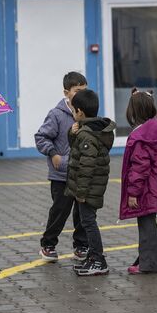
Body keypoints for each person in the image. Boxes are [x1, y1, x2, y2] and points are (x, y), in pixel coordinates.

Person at [35, 71, 89, 262]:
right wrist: (53, 153)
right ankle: (48, 244)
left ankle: (81, 246)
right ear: (66, 92)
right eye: (77, 91)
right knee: (60, 210)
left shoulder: (88, 113)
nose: (82, 94)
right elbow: (41, 137)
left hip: (82, 172)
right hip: (61, 174)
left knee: (82, 212)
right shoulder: (56, 114)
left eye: (85, 90)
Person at [119, 91, 157, 275]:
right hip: (154, 185)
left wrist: (133, 192)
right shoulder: (156, 128)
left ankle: (149, 264)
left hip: (145, 189)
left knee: (146, 225)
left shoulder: (140, 136)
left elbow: (139, 167)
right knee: (151, 223)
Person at [66, 88, 115, 276]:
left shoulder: (87, 135)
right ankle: (93, 257)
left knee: (89, 222)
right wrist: (73, 133)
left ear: (80, 112)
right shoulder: (89, 131)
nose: (72, 114)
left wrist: (81, 192)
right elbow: (76, 151)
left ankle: (97, 259)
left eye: (73, 111)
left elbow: (86, 165)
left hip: (88, 189)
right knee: (87, 221)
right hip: (91, 187)